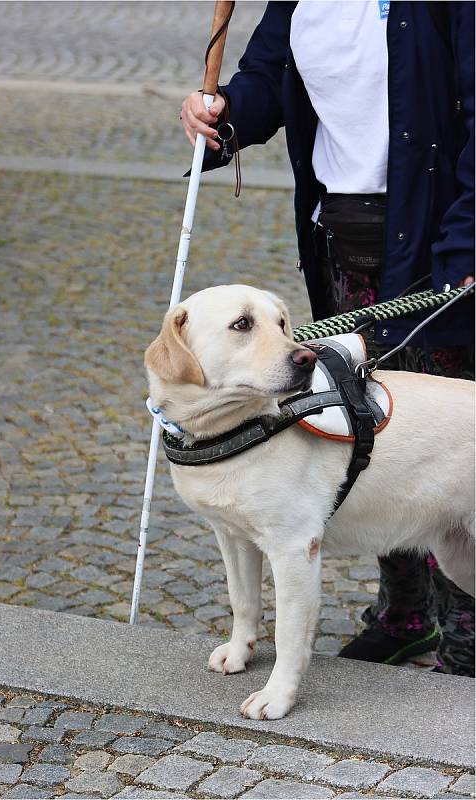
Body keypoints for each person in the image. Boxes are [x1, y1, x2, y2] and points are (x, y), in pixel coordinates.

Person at [180, 1, 475, 676]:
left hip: (437, 244)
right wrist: (220, 116)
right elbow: (263, 79)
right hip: (342, 242)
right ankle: (403, 614)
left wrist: (466, 246)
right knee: (360, 434)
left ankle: (466, 636)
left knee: (445, 450)